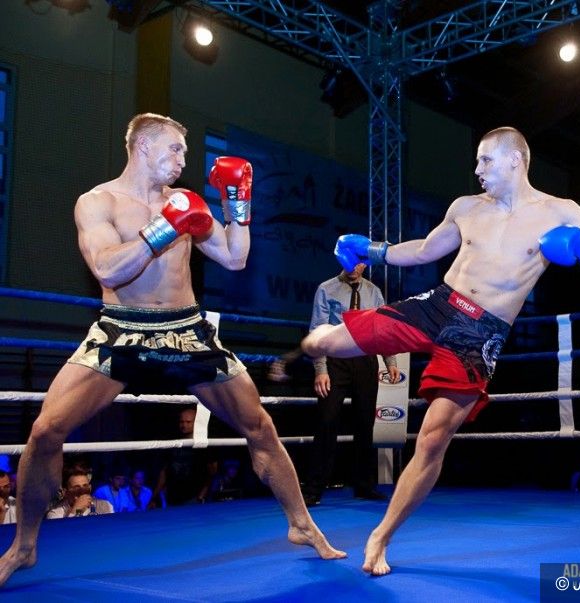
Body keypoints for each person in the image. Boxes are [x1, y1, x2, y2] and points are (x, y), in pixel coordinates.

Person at [0, 113, 344, 588]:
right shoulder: (99, 202)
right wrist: (164, 227)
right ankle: (24, 546)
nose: (184, 159)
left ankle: (301, 524)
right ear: (143, 146)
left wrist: (238, 204)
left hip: (186, 331)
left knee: (260, 426)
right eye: (175, 149)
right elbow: (107, 269)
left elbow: (235, 257)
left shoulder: (186, 202)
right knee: (44, 431)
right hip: (122, 329)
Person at [302, 126, 580, 575]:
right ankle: (311, 345)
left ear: (516, 160)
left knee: (432, 440)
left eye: (486, 160)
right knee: (325, 341)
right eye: (477, 160)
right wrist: (374, 251)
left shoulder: (559, 211)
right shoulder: (466, 207)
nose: (477, 169)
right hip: (437, 305)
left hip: (480, 333)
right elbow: (424, 250)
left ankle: (381, 537)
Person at [302, 264, 400, 506]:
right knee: (326, 421)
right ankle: (314, 488)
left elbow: (382, 328)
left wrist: (391, 361)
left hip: (365, 359)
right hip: (335, 360)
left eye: (359, 262)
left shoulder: (374, 292)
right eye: (350, 261)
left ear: (365, 264)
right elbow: (317, 331)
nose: (355, 267)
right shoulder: (326, 288)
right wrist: (321, 370)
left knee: (365, 423)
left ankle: (364, 485)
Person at [149, 407, 217, 507]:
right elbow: (164, 472)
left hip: (194, 498)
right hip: (172, 498)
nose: (184, 425)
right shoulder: (173, 443)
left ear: (196, 423)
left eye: (188, 422)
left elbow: (212, 472)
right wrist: (154, 497)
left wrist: (201, 496)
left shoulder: (204, 445)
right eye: (182, 422)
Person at [46, 467, 114, 519]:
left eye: (85, 486)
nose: (82, 491)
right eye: (76, 488)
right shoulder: (55, 514)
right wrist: (74, 511)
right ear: (65, 492)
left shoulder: (104, 506)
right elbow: (64, 532)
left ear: (90, 488)